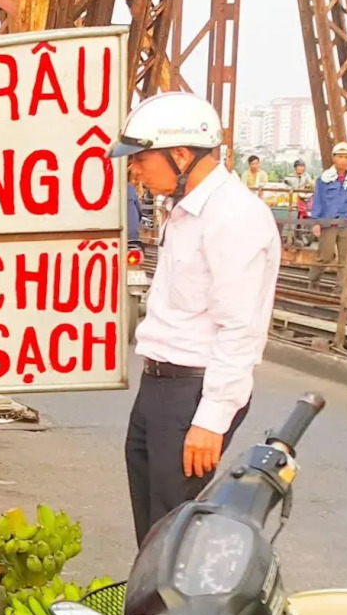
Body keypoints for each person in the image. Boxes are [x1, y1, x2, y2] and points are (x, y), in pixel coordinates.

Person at [109, 92, 282, 544]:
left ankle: (174, 613)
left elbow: (240, 328)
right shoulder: (185, 211)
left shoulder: (234, 217)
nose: (135, 170)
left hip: (192, 391)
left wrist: (211, 420)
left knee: (173, 530)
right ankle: (152, 610)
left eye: (141, 158)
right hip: (160, 385)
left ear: (181, 154)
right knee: (152, 525)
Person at [308, 141, 347, 289]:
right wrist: (316, 222)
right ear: (334, 158)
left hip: (345, 222)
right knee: (326, 255)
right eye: (340, 157)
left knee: (345, 258)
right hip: (328, 222)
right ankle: (313, 280)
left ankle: (340, 290)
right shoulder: (324, 179)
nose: (344, 160)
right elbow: (318, 200)